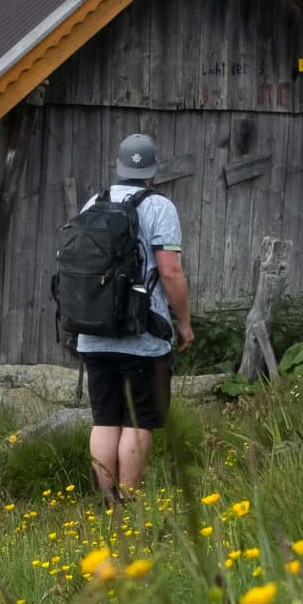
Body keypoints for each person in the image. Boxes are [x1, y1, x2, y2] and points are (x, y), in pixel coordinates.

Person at [74, 132, 190, 503]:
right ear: (153, 169)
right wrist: (183, 322)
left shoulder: (95, 202)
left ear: (118, 166)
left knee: (105, 420)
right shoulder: (159, 207)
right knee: (137, 423)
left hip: (93, 331)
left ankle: (108, 504)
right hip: (142, 333)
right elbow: (169, 271)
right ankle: (131, 505)